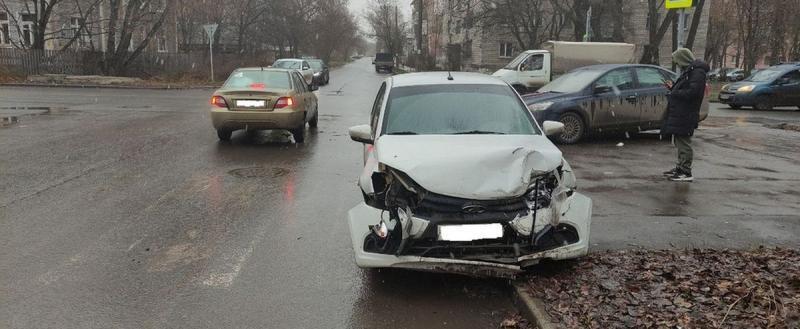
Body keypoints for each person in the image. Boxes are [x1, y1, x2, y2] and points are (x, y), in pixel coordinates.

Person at [661, 48, 709, 182]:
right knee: (679, 141)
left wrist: (674, 93)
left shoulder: (697, 73)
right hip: (681, 112)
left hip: (686, 113)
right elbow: (687, 89)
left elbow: (693, 93)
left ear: (682, 59)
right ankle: (680, 167)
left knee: (683, 142)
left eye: (677, 60)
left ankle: (686, 172)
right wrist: (672, 88)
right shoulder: (690, 71)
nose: (676, 63)